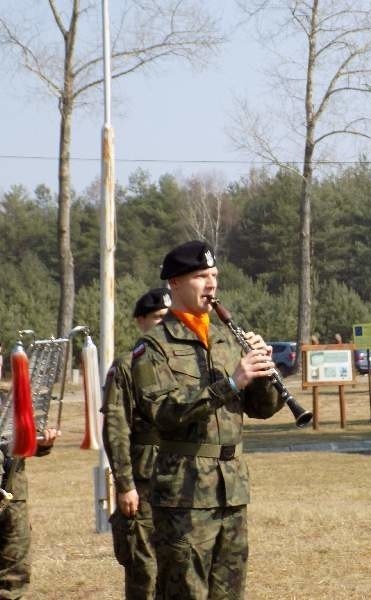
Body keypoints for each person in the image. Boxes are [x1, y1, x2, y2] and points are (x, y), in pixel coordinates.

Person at [130, 240, 285, 600]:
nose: (211, 284)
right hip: (184, 493)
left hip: (231, 489)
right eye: (201, 276)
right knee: (186, 591)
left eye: (214, 275)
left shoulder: (227, 340)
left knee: (230, 592)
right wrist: (230, 383)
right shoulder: (153, 346)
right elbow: (163, 412)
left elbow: (262, 409)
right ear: (175, 284)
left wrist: (264, 373)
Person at [101, 287, 171, 599]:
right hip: (144, 480)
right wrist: (124, 483)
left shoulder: (183, 363)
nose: (164, 325)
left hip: (181, 478)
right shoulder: (127, 366)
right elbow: (116, 427)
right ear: (140, 321)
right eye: (158, 318)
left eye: (169, 318)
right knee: (145, 569)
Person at [0, 427, 60, 598]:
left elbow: (27, 432)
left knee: (14, 575)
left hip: (12, 496)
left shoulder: (15, 400)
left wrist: (42, 441)